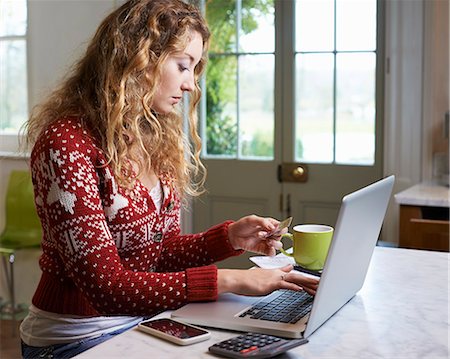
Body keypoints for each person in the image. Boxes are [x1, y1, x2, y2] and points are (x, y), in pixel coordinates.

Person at [19, 0, 319, 357]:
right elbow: (106, 287)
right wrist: (231, 280)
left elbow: (157, 254)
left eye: (194, 69)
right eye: (183, 66)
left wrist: (227, 238)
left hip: (148, 322)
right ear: (138, 60)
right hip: (76, 338)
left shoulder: (155, 137)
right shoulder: (66, 143)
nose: (191, 84)